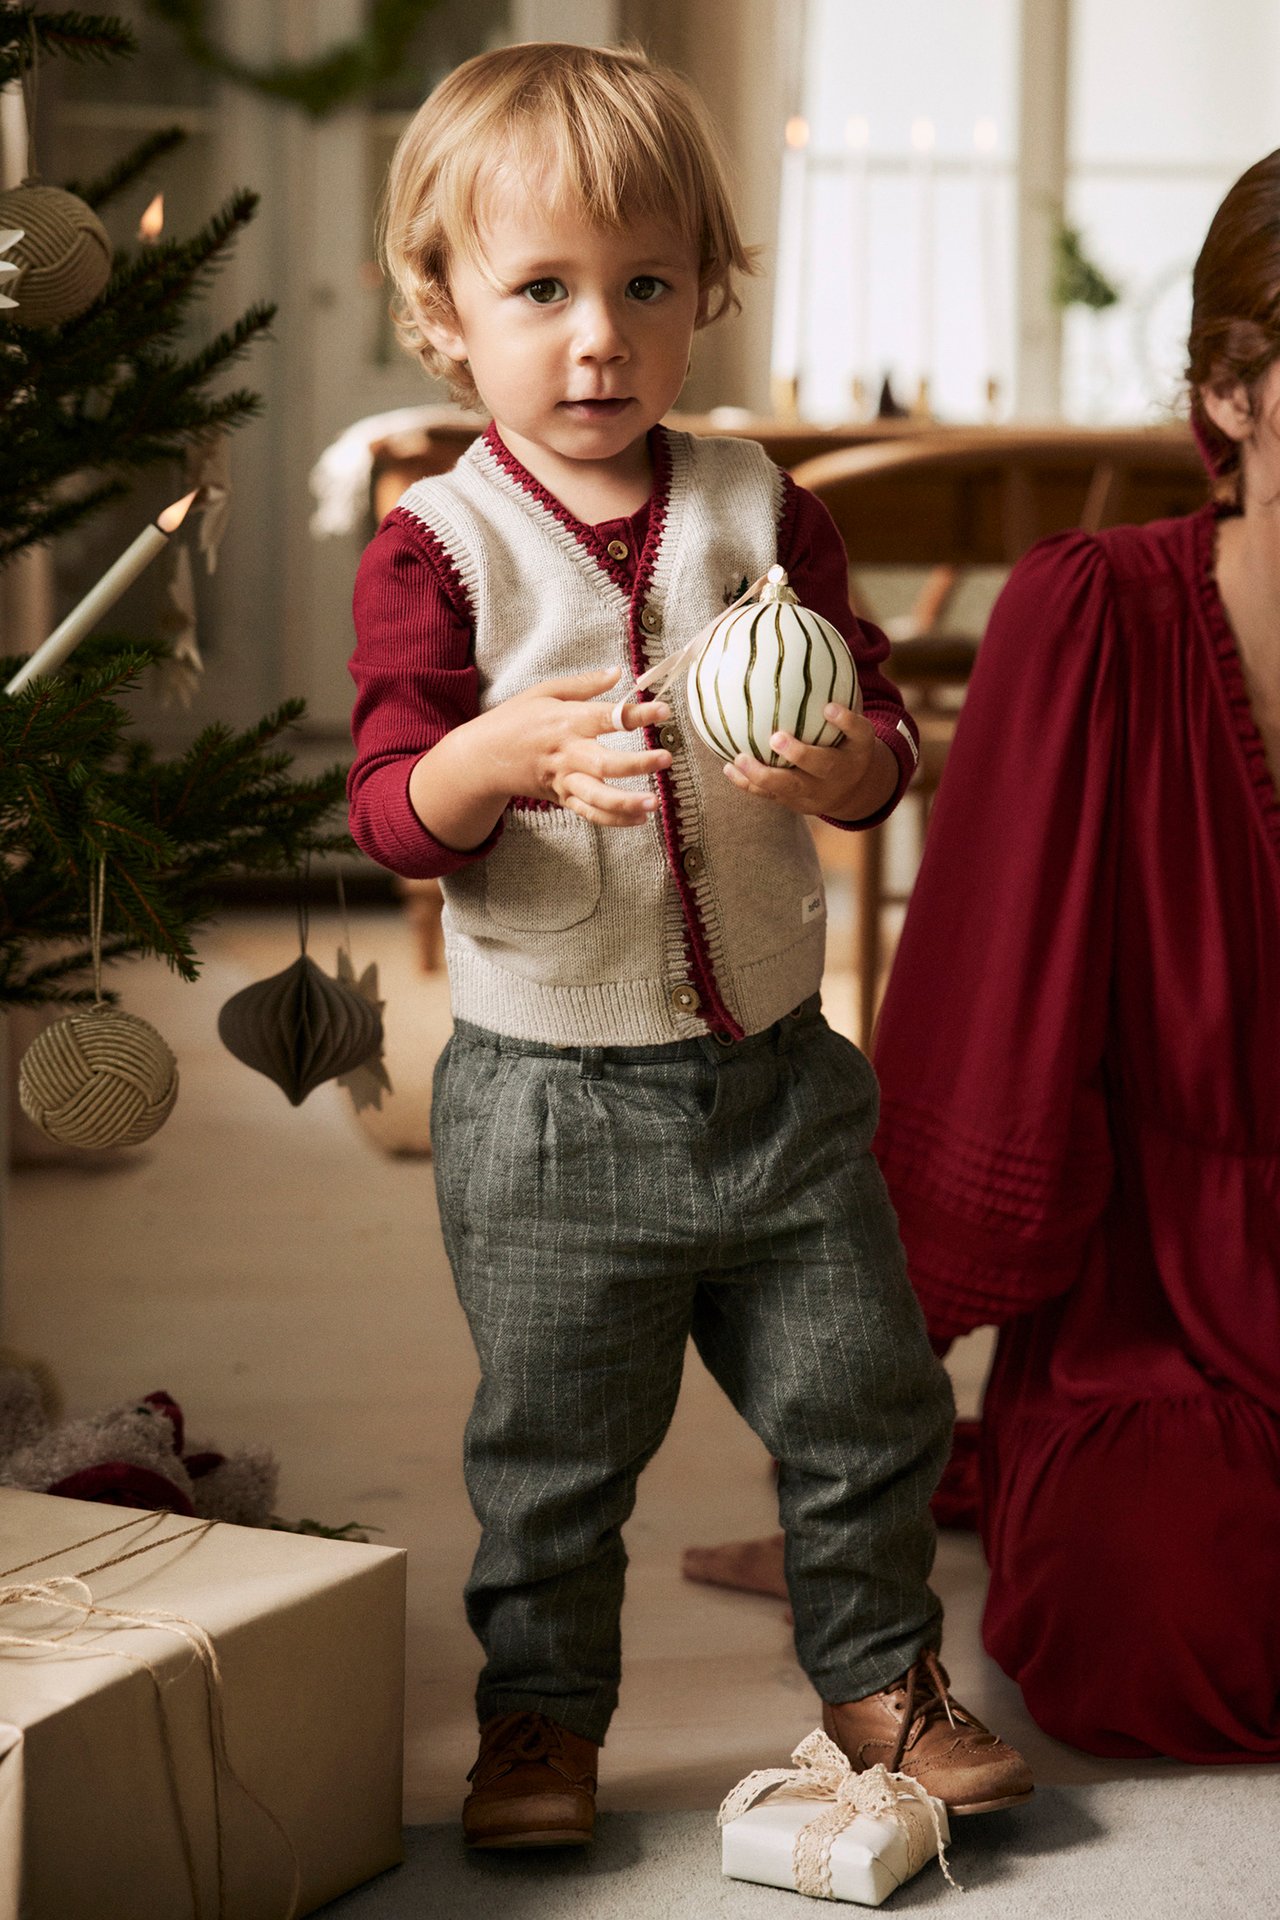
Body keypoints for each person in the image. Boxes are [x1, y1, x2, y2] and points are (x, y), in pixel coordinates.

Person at [347, 41, 1031, 1849]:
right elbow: (387, 802)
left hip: (783, 1082)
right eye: (546, 291)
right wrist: (488, 763)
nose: (600, 340)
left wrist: (855, 762)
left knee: (867, 1394)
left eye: (646, 287)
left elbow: (880, 734)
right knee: (557, 1450)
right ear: (443, 308)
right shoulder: (443, 544)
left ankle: (884, 1680)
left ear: (706, 293)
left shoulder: (760, 506)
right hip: (551, 1106)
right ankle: (542, 1724)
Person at [872, 151, 1280, 1765]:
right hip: (1155, 1319)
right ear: (1235, 392)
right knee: (1162, 1602)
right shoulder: (1094, 618)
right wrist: (869, 1430)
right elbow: (984, 1043)